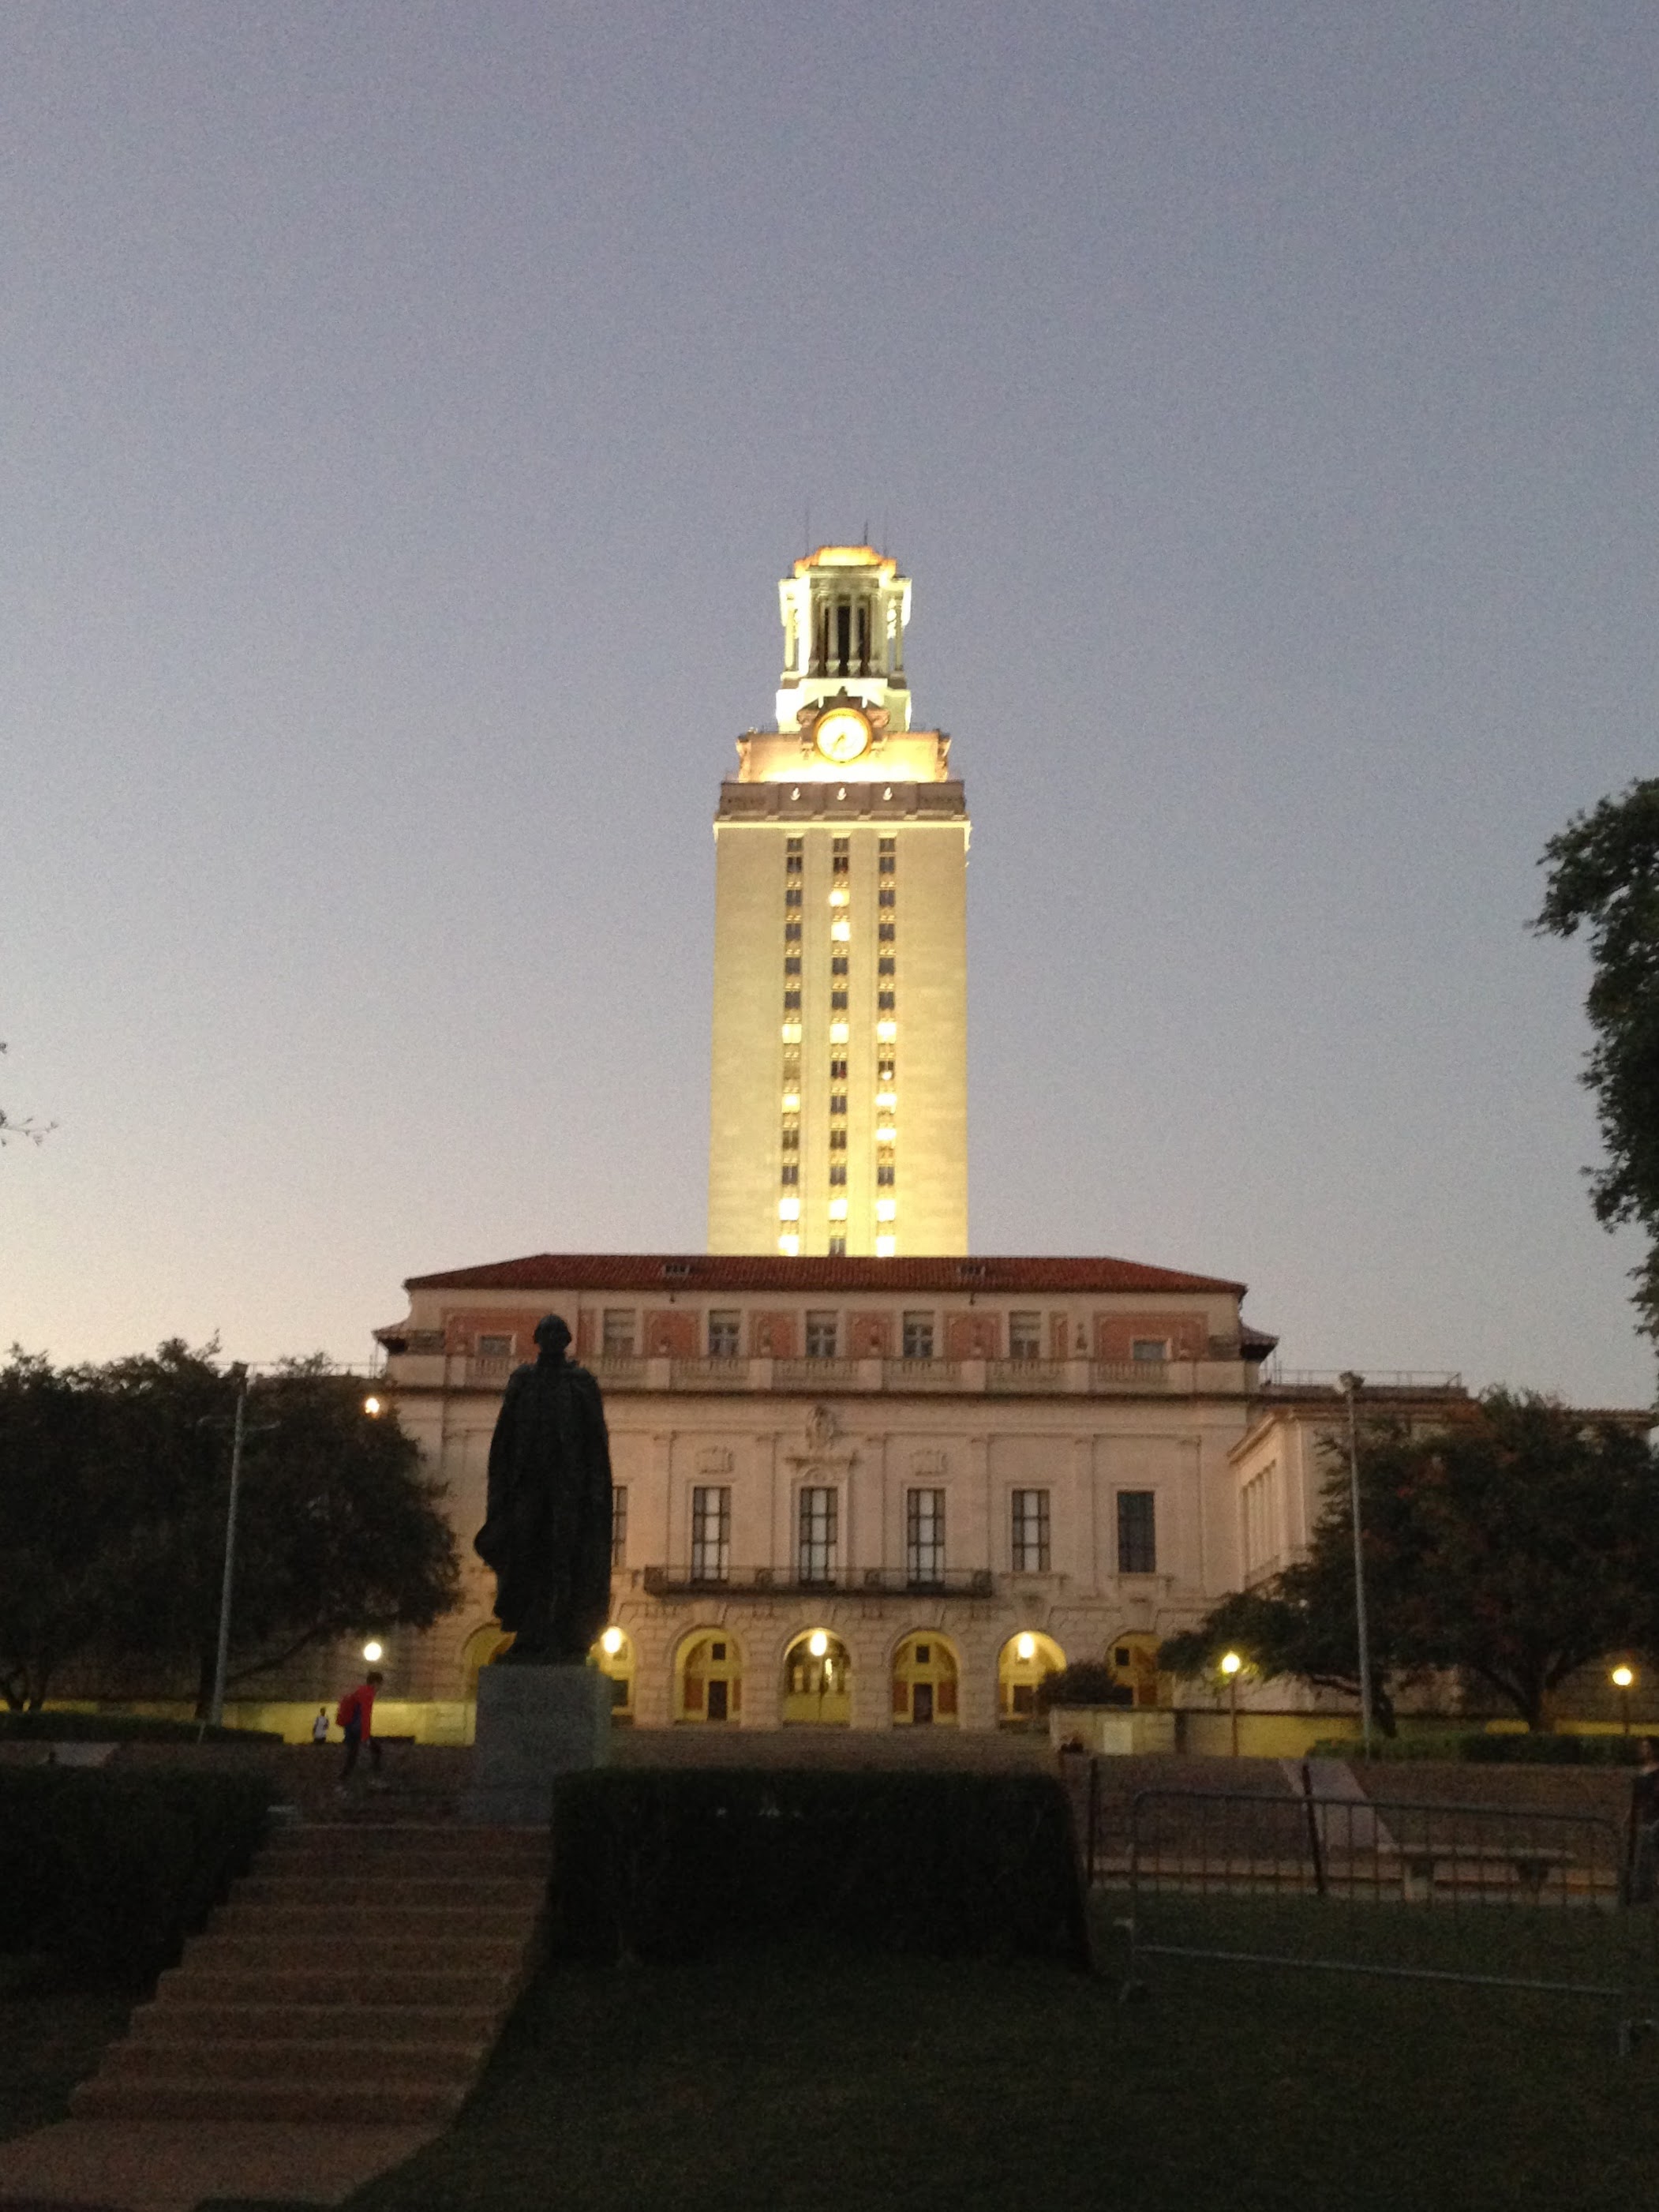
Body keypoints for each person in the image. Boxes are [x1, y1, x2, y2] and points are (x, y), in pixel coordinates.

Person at [475, 1314, 612, 1664]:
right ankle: (529, 1633)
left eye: (558, 1333)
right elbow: (504, 1436)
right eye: (546, 1333)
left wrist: (596, 1490)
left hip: (569, 1488)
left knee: (563, 1558)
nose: (552, 1338)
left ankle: (562, 1633)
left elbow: (596, 1442)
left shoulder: (582, 1382)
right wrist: (502, 1487)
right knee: (527, 1557)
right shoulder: (522, 1380)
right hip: (528, 1485)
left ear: (567, 1340)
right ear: (537, 1338)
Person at [336, 1669, 384, 1787]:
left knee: (353, 1755)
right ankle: (372, 1779)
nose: (380, 1688)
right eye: (380, 1685)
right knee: (376, 1751)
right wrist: (365, 1737)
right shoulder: (368, 1694)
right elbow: (365, 1716)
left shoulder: (360, 1691)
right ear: (375, 1683)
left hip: (350, 1728)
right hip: (357, 1730)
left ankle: (343, 1779)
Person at [1627, 1736, 1659, 1903]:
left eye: (1646, 1747)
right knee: (1644, 1857)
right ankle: (1643, 1893)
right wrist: (1629, 1816)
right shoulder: (1641, 1773)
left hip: (1655, 1819)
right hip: (1646, 1820)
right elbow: (1636, 1799)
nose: (1643, 1750)